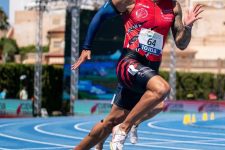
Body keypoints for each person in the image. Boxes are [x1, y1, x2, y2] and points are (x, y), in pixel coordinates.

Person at [72, 0, 204, 149]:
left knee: (111, 121)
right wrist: (86, 47)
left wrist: (188, 26)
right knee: (162, 89)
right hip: (129, 62)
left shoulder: (173, 6)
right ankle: (124, 128)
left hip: (149, 68)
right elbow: (100, 15)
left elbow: (181, 44)